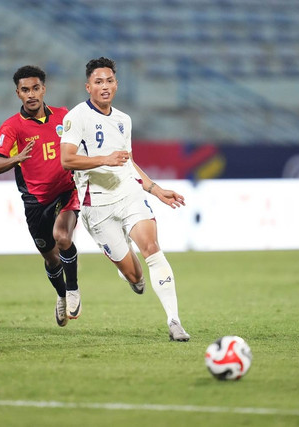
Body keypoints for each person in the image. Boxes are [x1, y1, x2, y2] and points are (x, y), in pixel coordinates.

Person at [60, 57, 190, 342]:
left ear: (116, 85)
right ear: (88, 87)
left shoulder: (123, 120)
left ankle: (174, 321)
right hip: (97, 207)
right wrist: (103, 159)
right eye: (98, 82)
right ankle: (133, 274)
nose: (104, 87)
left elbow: (128, 163)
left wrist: (155, 189)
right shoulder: (76, 117)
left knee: (153, 248)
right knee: (135, 277)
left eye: (109, 81)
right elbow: (66, 160)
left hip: (128, 195)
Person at [0, 65, 81, 327]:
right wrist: (16, 158)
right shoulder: (12, 127)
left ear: (44, 88)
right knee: (50, 257)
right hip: (36, 202)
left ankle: (74, 289)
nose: (31, 94)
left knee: (63, 237)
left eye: (35, 88)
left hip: (67, 191)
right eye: (24, 90)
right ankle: (62, 295)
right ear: (17, 93)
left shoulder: (65, 117)